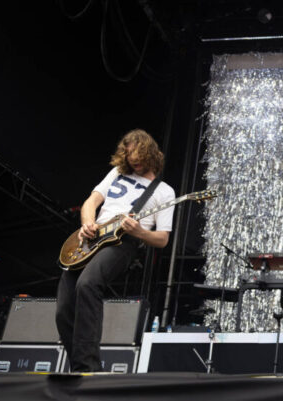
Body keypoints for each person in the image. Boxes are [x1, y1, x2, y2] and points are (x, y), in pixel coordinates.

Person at [56, 129, 175, 372]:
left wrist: (139, 232)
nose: (134, 160)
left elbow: (162, 239)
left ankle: (88, 368)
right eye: (129, 156)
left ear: (151, 154)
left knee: (87, 285)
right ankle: (78, 365)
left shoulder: (164, 191)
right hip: (92, 238)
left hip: (123, 243)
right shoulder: (117, 173)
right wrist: (87, 223)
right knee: (63, 309)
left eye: (138, 156)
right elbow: (91, 202)